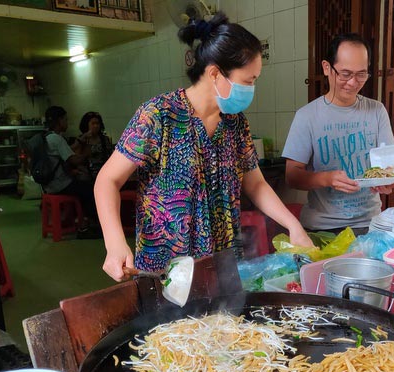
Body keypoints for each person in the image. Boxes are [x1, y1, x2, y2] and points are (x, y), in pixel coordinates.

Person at [95, 13, 313, 281]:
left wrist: (293, 225)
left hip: (223, 265)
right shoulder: (159, 115)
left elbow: (255, 184)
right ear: (214, 73)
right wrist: (114, 243)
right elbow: (107, 179)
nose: (252, 88)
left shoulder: (235, 123)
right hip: (164, 268)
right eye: (248, 81)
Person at [282, 33, 394, 235]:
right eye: (345, 74)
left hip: (370, 225)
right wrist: (326, 179)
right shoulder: (307, 116)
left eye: (361, 74)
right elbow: (292, 176)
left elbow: (387, 166)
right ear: (327, 68)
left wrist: (386, 182)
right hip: (323, 228)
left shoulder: (377, 111)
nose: (353, 82)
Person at [43, 106, 99, 236]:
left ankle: (77, 220)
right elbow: (75, 161)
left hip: (48, 185)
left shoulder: (46, 137)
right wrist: (87, 153)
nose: (67, 123)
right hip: (60, 184)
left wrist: (80, 141)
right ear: (59, 121)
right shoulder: (57, 139)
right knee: (90, 189)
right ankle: (90, 225)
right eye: (65, 119)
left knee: (81, 184)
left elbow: (66, 151)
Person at [77, 111, 113, 181]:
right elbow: (77, 158)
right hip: (87, 175)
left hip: (103, 173)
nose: (96, 126)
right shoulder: (82, 139)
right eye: (93, 124)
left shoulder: (104, 139)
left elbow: (110, 155)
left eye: (97, 123)